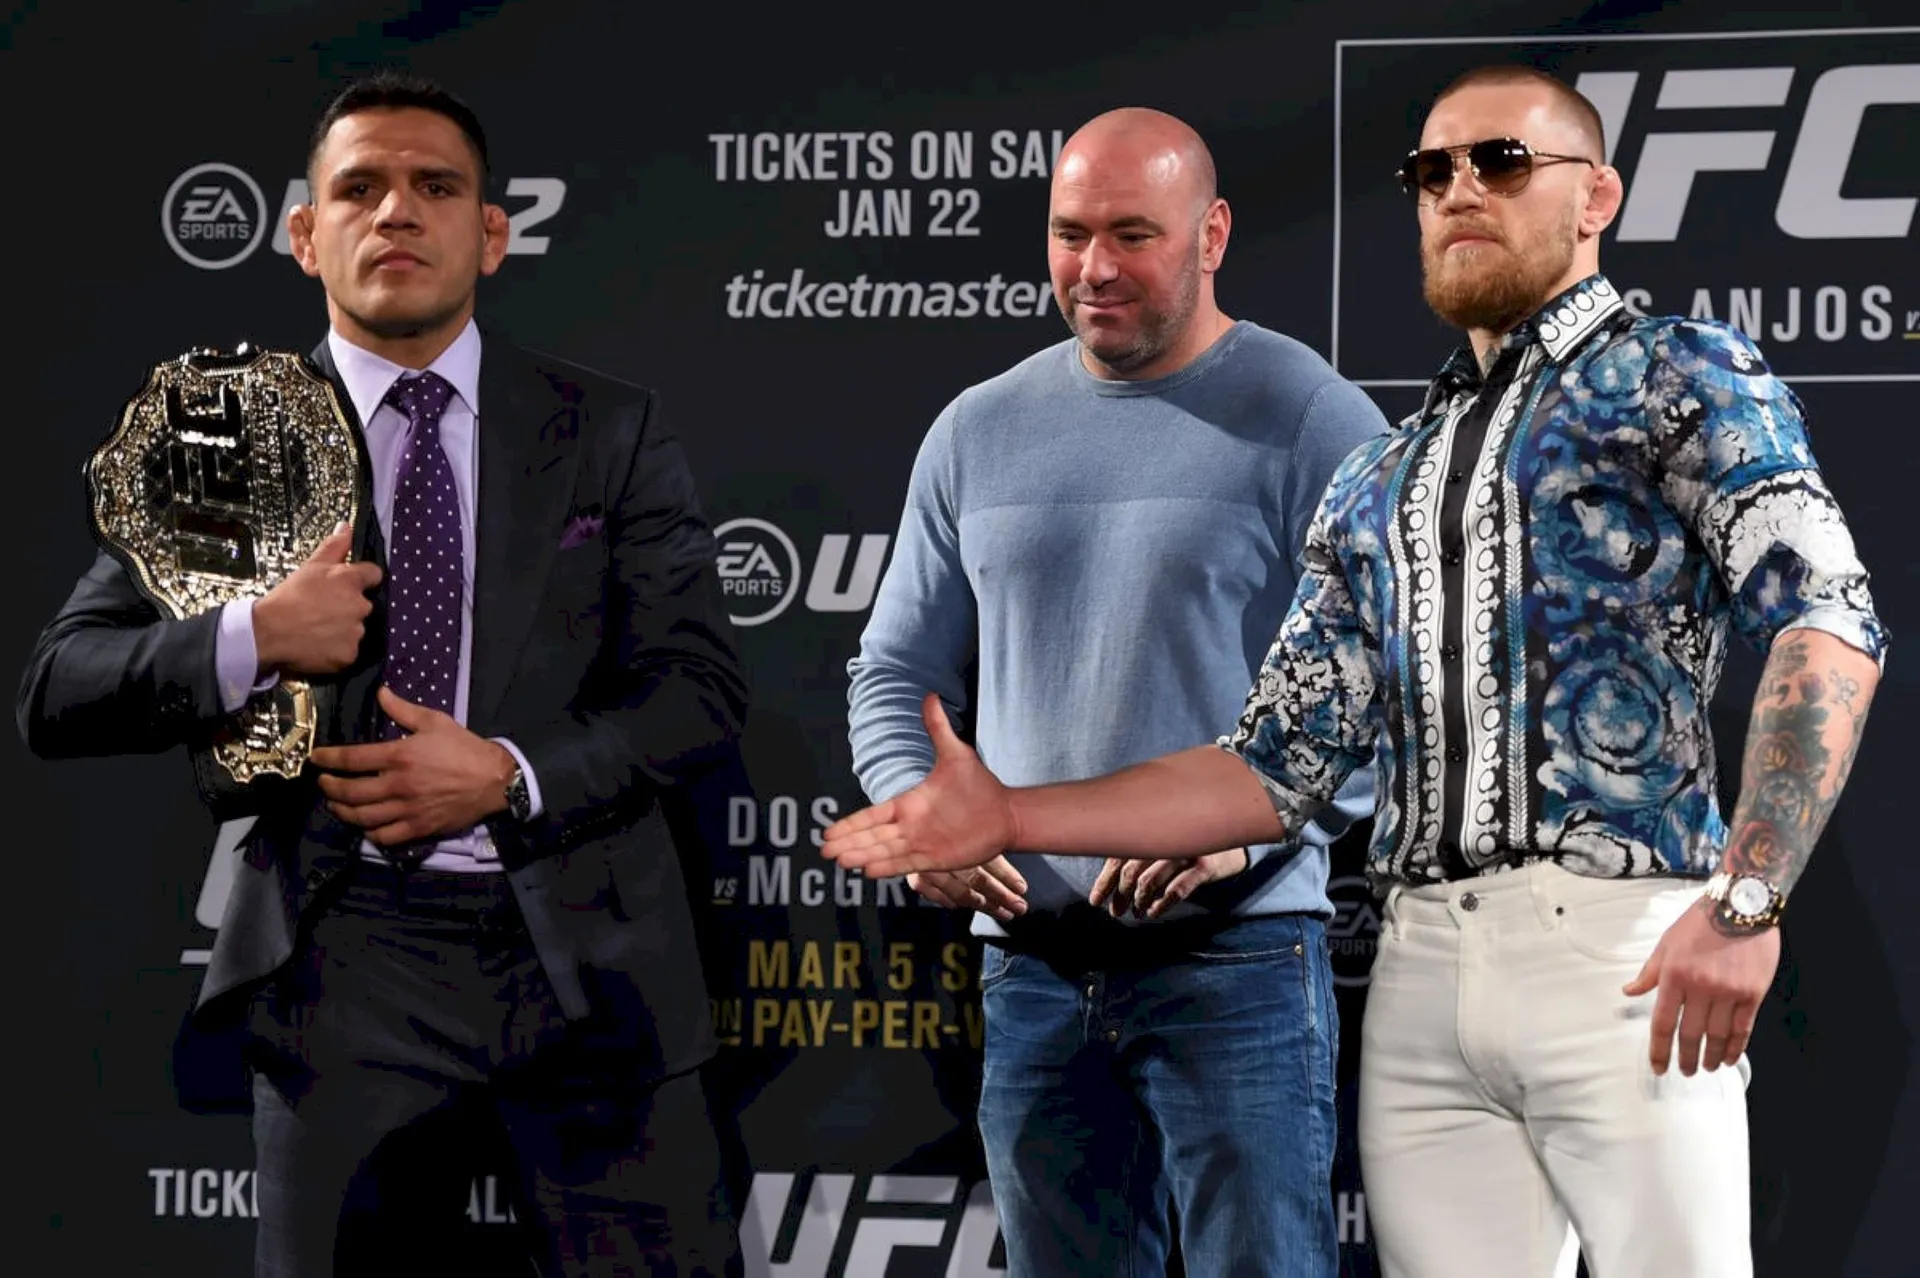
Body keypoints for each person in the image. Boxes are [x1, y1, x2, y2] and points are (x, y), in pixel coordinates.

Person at [823, 66, 1886, 1278]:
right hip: (1423, 971)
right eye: (1433, 171)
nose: (1461, 190)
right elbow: (1274, 765)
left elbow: (1827, 613)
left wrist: (1748, 898)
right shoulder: (1389, 470)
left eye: (1501, 162)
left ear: (1597, 197)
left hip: (1618, 944)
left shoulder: (1679, 375)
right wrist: (1009, 817)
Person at [18, 72, 748, 1277]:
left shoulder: (606, 429)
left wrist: (508, 775)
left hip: (591, 960)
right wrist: (256, 633)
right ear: (307, 236)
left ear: (493, 233)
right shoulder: (226, 442)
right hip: (341, 960)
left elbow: (699, 690)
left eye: (435, 187)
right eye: (359, 189)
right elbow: (60, 686)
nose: (396, 211)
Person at [846, 107, 1387, 1277]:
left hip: (1240, 963)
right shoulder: (977, 430)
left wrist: (1248, 832)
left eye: (1133, 235)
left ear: (1213, 233)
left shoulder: (1315, 419)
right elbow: (893, 672)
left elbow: (1394, 693)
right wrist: (920, 807)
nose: (1094, 268)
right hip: (1032, 969)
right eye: (1070, 234)